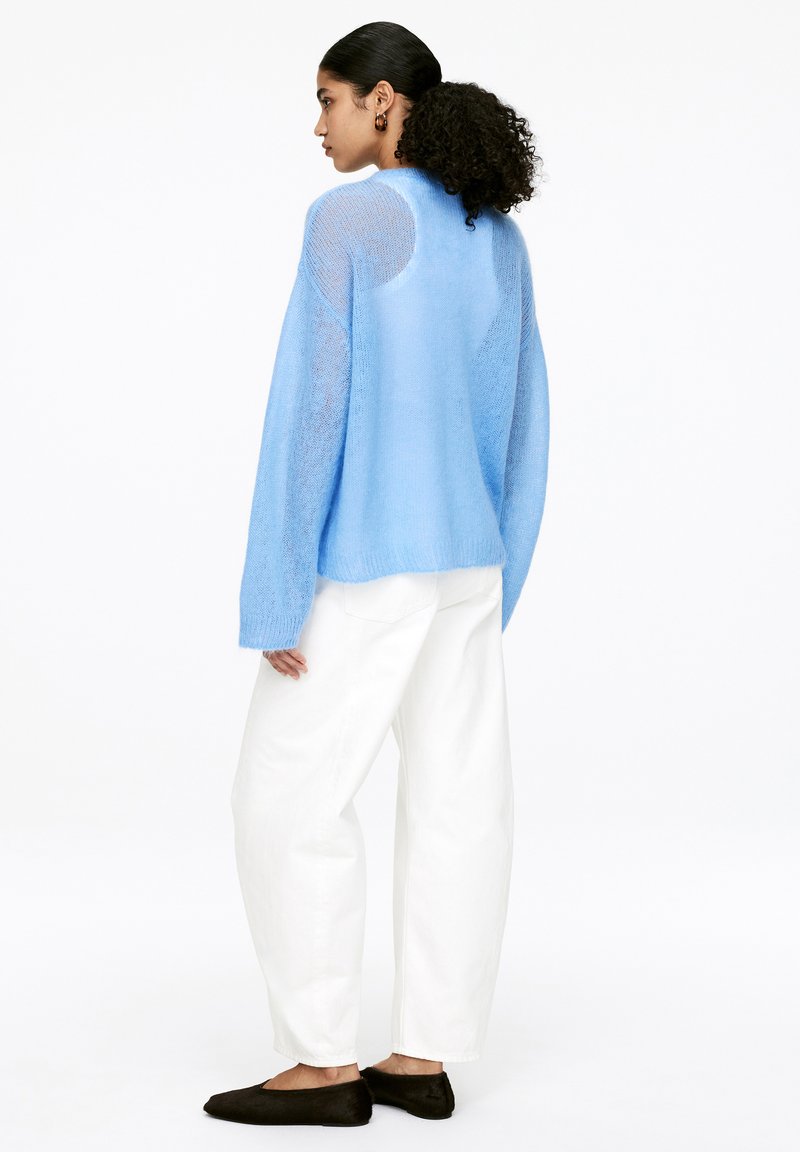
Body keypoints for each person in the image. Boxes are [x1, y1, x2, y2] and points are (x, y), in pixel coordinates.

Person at [203, 20, 550, 1128]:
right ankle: (421, 1057)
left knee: (285, 796)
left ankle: (321, 1065)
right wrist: (499, 576)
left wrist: (275, 589)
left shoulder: (347, 219)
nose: (318, 125)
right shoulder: (493, 232)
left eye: (329, 99)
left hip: (364, 565)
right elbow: (520, 420)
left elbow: (309, 414)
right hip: (467, 565)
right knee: (458, 804)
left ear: (385, 100)